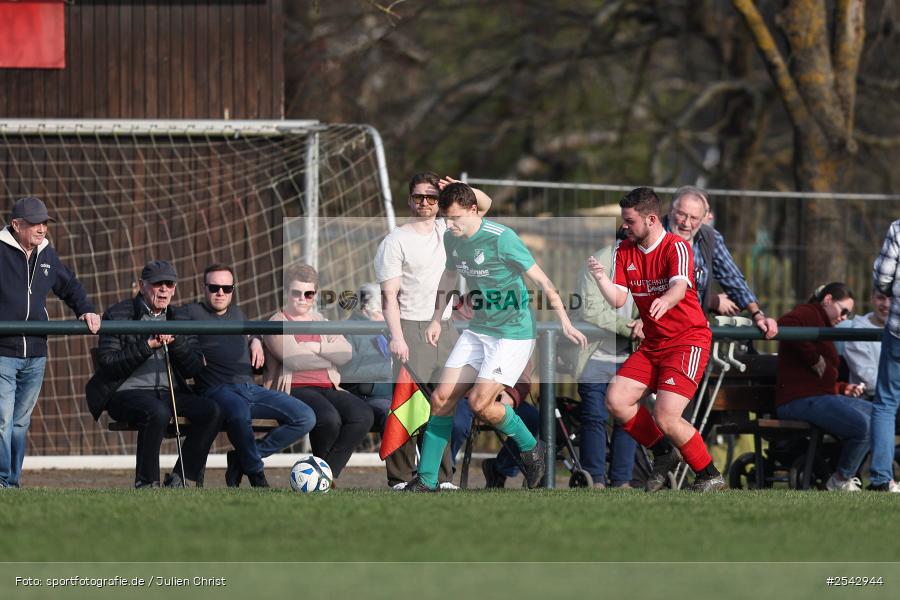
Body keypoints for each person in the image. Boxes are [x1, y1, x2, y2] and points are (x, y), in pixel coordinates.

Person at [403, 182, 587, 492]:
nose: (450, 225)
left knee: (478, 403)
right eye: (446, 219)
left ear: (473, 210)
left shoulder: (503, 239)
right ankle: (426, 480)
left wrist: (565, 322)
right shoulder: (452, 237)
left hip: (513, 335)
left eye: (456, 219)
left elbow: (543, 281)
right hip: (479, 331)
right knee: (441, 398)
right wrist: (437, 318)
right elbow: (449, 276)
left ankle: (532, 448)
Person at [588, 187, 725, 492]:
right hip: (654, 344)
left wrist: (667, 299)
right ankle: (664, 454)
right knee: (617, 400)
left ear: (650, 219)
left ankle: (709, 474)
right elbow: (618, 299)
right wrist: (600, 279)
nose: (624, 226)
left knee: (666, 415)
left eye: (630, 221)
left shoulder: (676, 247)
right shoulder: (624, 249)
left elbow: (678, 286)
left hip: (687, 340)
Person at [374, 172, 490, 489]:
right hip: (410, 327)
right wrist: (397, 337)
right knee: (409, 405)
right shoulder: (395, 240)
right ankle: (399, 477)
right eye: (418, 197)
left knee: (443, 403)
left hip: (446, 325)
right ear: (409, 200)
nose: (424, 203)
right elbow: (389, 297)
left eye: (431, 197)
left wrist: (455, 189)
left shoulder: (449, 230)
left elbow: (484, 205)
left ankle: (440, 476)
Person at [177, 264, 317, 488]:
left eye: (226, 288)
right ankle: (256, 475)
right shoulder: (189, 313)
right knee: (240, 414)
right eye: (214, 287)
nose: (220, 293)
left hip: (251, 389)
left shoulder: (238, 313)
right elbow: (163, 319)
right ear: (204, 288)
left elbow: (252, 330)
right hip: (217, 390)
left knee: (306, 417)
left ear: (233, 289)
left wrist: (255, 340)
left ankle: (243, 458)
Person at [85, 260, 221, 488]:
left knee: (212, 411)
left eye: (169, 284)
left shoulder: (181, 318)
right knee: (157, 411)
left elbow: (194, 368)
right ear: (142, 285)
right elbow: (108, 363)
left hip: (169, 392)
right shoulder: (117, 314)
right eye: (158, 284)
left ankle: (180, 478)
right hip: (125, 393)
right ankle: (146, 483)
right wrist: (148, 345)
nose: (164, 289)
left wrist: (176, 343)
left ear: (175, 289)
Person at [0, 196, 100, 488]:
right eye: (34, 223)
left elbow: (70, 286)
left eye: (44, 223)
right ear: (16, 225)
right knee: (3, 421)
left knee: (20, 423)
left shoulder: (47, 253)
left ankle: (12, 482)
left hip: (36, 352)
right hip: (2, 351)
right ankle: (3, 481)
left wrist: (87, 310)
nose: (41, 228)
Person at [262, 263, 374, 484]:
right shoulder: (277, 322)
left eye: (309, 293)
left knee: (363, 414)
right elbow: (295, 359)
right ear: (286, 293)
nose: (303, 298)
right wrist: (326, 354)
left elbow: (346, 353)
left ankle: (326, 474)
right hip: (294, 389)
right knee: (329, 418)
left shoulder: (321, 321)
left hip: (328, 385)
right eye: (296, 293)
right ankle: (322, 478)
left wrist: (317, 348)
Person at [774, 282, 870, 492]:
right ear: (827, 300)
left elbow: (818, 380)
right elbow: (784, 324)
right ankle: (840, 479)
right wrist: (813, 356)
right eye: (843, 310)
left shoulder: (823, 322)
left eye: (848, 314)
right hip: (798, 400)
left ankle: (845, 476)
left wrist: (842, 387)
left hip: (817, 396)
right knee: (862, 427)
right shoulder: (809, 313)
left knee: (879, 416)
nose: (844, 317)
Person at [661, 186, 778, 339]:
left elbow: (732, 278)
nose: (686, 223)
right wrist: (710, 300)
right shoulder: (653, 236)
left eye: (694, 218)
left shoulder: (709, 238)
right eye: (682, 215)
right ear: (671, 210)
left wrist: (757, 314)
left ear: (704, 217)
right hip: (654, 328)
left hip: (691, 333)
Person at [574, 227, 639, 489]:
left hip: (630, 358)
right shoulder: (597, 263)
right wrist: (629, 327)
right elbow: (591, 311)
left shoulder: (647, 265)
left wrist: (644, 324)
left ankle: (622, 480)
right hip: (595, 356)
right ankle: (595, 478)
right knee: (594, 416)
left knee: (627, 418)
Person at [449, 368, 539, 488]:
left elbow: (523, 377)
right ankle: (444, 474)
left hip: (502, 395)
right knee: (456, 422)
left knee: (532, 418)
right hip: (467, 396)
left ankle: (500, 468)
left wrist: (512, 395)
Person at [869, 220, 900, 492]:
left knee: (886, 404)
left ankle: (881, 477)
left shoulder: (897, 228)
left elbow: (883, 277)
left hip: (898, 332)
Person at [338, 283, 393, 431]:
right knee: (395, 416)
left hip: (391, 393)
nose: (386, 318)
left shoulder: (389, 330)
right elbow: (350, 372)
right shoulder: (348, 330)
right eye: (381, 313)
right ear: (364, 309)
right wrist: (390, 368)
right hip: (368, 396)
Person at [836, 288, 892, 398]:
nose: (887, 304)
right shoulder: (858, 332)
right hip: (873, 401)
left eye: (893, 299)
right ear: (872, 298)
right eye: (881, 298)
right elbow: (870, 383)